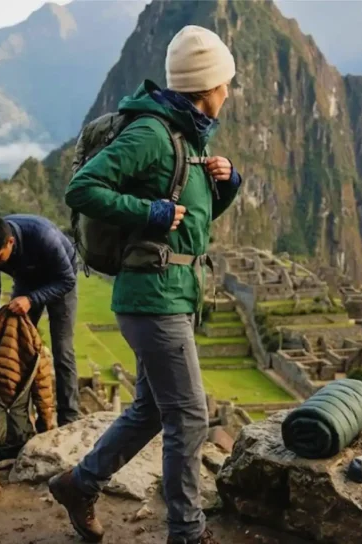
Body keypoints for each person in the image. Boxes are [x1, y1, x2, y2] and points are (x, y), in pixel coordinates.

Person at [49, 25, 242, 544]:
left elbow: (193, 223)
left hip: (171, 292)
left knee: (152, 409)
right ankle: (186, 530)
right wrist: (147, 212)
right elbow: (82, 188)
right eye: (224, 83)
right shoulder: (154, 135)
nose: (228, 92)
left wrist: (227, 184)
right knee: (190, 417)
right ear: (206, 87)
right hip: (154, 296)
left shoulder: (187, 138)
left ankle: (79, 484)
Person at [0, 214, 80, 428]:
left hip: (59, 279)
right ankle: (21, 418)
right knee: (16, 347)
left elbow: (67, 280)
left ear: (10, 242)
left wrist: (32, 299)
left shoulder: (43, 236)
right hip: (26, 278)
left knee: (62, 350)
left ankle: (68, 419)